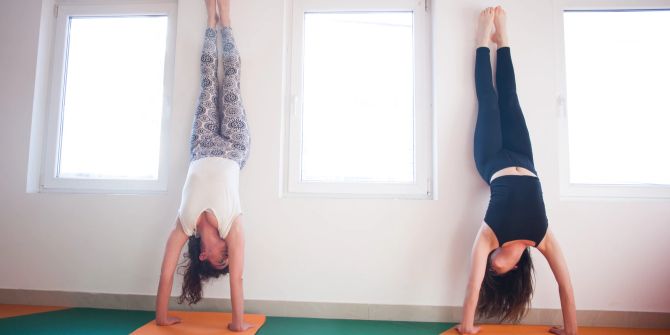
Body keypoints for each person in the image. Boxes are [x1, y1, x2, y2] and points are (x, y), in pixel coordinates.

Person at [456, 6, 577, 335]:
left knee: (490, 100)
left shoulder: (489, 236)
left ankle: (483, 41)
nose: (493, 266)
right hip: (525, 158)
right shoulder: (542, 237)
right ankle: (504, 40)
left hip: (491, 161)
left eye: (490, 269)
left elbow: (472, 285)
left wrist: (467, 328)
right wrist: (572, 332)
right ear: (516, 266)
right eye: (499, 270)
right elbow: (566, 286)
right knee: (510, 98)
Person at [154, 0, 252, 331]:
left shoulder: (184, 225)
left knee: (209, 81)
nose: (226, 252)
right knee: (232, 82)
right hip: (235, 148)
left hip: (201, 145)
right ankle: (228, 23)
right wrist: (238, 324)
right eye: (228, 254)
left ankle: (211, 24)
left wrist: (161, 317)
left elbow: (166, 271)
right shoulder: (232, 227)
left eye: (220, 257)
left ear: (203, 255)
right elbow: (236, 277)